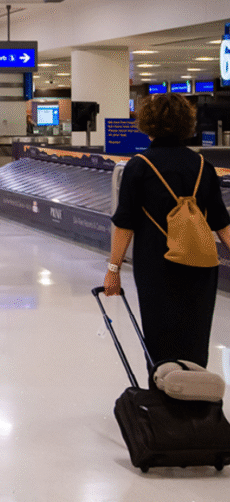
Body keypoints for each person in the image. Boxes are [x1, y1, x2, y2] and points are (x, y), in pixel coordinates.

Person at [105, 93, 230, 369]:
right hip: (200, 266)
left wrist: (113, 269)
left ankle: (163, 390)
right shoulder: (203, 166)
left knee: (160, 339)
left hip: (157, 267)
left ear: (147, 124)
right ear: (187, 124)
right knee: (196, 338)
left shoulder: (139, 166)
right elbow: (221, 222)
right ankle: (195, 390)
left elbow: (125, 224)